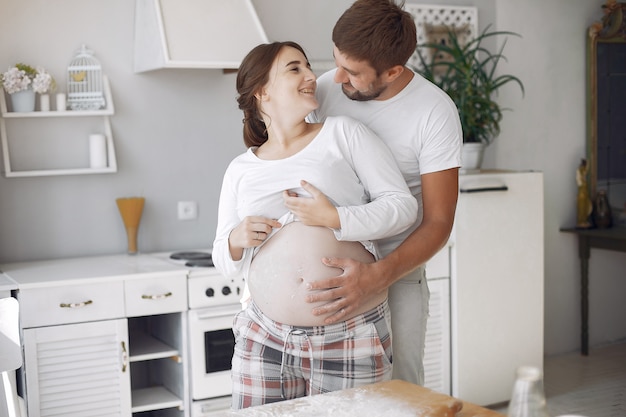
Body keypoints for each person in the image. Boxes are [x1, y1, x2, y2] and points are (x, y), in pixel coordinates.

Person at [212, 41, 418, 408]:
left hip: (349, 331)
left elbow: (403, 208)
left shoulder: (343, 134)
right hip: (264, 337)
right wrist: (236, 239)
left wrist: (335, 218)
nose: (311, 77)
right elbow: (222, 259)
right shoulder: (241, 170)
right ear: (262, 91)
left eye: (308, 67)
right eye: (295, 69)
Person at [298, 0, 463, 386]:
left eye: (353, 72)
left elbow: (439, 221)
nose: (337, 78)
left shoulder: (434, 112)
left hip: (397, 271)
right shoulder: (325, 90)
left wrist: (376, 277)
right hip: (329, 270)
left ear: (393, 70)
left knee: (400, 390)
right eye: (336, 61)